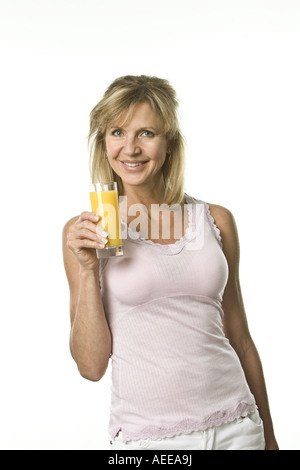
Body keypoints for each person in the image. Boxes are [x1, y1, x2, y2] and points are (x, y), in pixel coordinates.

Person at [62, 75, 279, 450]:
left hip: (238, 427)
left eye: (146, 133)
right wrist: (86, 269)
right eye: (117, 132)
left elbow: (240, 338)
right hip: (150, 440)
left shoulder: (216, 220)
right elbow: (91, 367)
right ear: (103, 142)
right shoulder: (89, 232)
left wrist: (270, 437)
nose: (130, 149)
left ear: (170, 143)